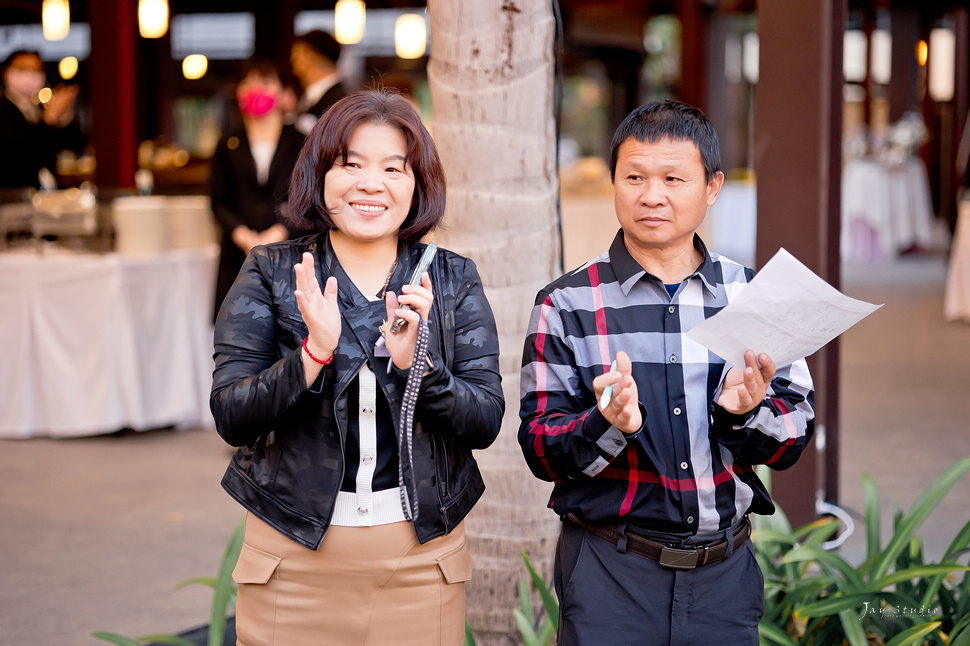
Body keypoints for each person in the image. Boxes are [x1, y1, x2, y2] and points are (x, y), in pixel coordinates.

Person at [210, 89, 505, 645]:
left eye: (394, 168)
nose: (371, 184)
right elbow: (232, 414)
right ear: (320, 173)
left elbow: (485, 420)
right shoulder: (272, 271)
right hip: (288, 560)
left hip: (421, 564)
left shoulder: (450, 278)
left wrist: (419, 366)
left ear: (418, 184)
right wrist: (312, 356)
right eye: (351, 165)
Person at [517, 100, 816, 645]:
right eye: (634, 176)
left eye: (674, 178)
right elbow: (539, 447)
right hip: (609, 571)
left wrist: (743, 416)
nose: (651, 195)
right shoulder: (567, 303)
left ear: (713, 186)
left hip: (725, 575)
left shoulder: (751, 297)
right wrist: (607, 422)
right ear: (615, 182)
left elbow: (794, 433)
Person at [209, 59, 306, 319]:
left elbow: (308, 197)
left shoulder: (301, 142)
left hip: (289, 254)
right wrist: (244, 237)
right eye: (248, 82)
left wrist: (278, 231)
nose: (255, 88)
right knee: (237, 338)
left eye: (265, 81)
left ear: (284, 93)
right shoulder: (227, 143)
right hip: (238, 257)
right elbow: (218, 201)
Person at [0, 50, 84, 190]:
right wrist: (48, 119)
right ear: (5, 73)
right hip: (13, 195)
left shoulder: (38, 108)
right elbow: (18, 153)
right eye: (22, 69)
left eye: (35, 70)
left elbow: (74, 145)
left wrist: (64, 118)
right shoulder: (3, 110)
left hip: (44, 194)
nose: (29, 75)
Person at [290, 29, 348, 134]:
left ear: (308, 57)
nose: (294, 69)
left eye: (296, 58)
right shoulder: (309, 98)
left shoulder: (339, 103)